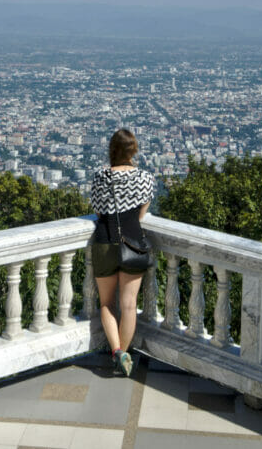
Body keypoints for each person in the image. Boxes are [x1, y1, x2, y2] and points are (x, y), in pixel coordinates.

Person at [89, 128, 155, 376]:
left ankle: (116, 350)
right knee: (128, 305)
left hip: (105, 241)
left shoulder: (100, 177)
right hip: (133, 243)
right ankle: (123, 356)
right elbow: (141, 214)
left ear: (112, 150)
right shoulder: (145, 178)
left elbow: (97, 211)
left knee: (106, 303)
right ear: (133, 151)